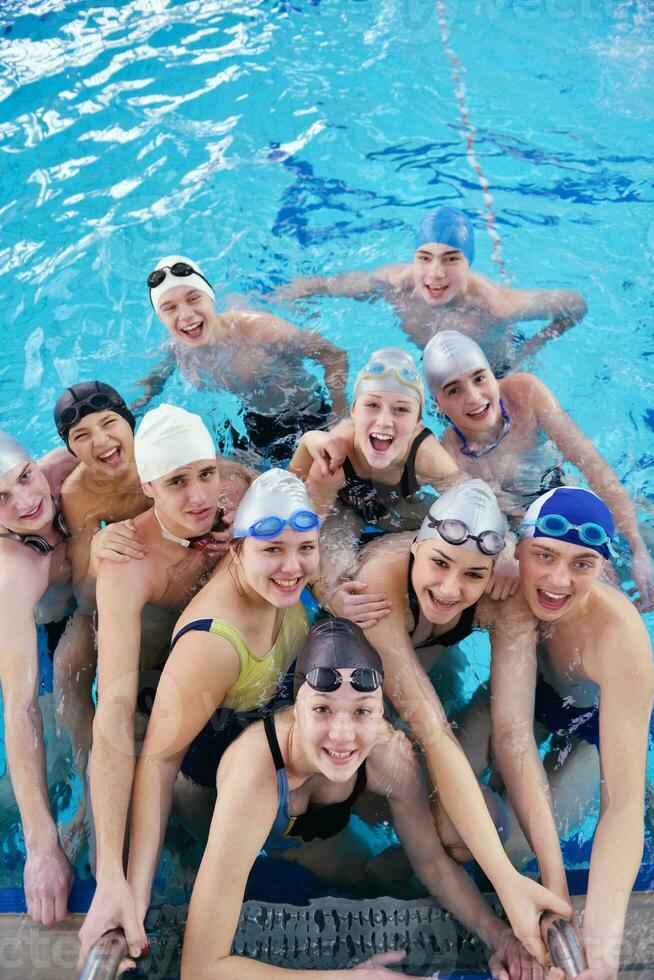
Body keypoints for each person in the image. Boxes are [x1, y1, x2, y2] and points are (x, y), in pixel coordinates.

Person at [180, 618, 569, 979]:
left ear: (382, 709)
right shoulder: (253, 775)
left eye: (362, 711)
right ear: (295, 707)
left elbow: (431, 861)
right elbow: (200, 968)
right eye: (322, 709)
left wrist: (498, 936)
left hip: (318, 820)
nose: (343, 735)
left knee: (374, 882)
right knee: (210, 866)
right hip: (215, 806)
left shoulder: (388, 754)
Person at [115, 469, 321, 964]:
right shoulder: (211, 642)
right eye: (272, 550)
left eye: (305, 548)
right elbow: (160, 763)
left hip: (274, 750)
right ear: (238, 551)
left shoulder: (289, 579)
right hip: (211, 789)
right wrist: (136, 889)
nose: (292, 566)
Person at [78, 404, 251, 962]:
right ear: (147, 485)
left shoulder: (236, 500)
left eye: (206, 473)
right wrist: (110, 873)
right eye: (178, 481)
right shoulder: (127, 560)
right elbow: (113, 709)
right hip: (157, 675)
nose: (201, 497)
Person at [489, 486, 654, 980]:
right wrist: (554, 886)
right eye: (545, 556)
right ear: (517, 549)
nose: (558, 580)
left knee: (517, 846)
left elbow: (619, 806)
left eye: (582, 564)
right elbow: (512, 734)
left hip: (593, 728)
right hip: (536, 700)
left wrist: (600, 956)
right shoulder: (508, 585)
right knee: (460, 834)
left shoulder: (619, 639)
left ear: (603, 568)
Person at [422, 330, 654, 611]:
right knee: (604, 602)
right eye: (454, 390)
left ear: (492, 375)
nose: (473, 397)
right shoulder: (446, 455)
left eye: (479, 378)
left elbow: (592, 466)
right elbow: (482, 520)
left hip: (578, 500)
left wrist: (638, 547)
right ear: (438, 404)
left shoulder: (525, 394)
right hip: (534, 538)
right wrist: (507, 551)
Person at [278, 206, 587, 373]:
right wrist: (291, 299)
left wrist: (532, 349)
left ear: (469, 263)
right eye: (424, 258)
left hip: (492, 375)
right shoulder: (395, 284)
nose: (435, 274)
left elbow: (576, 305)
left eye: (451, 259)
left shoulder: (496, 306)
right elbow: (326, 286)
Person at [135, 256, 349, 465]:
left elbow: (333, 355)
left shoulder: (258, 330)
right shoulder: (177, 349)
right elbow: (155, 381)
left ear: (211, 298)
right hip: (254, 422)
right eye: (170, 308)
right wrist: (141, 402)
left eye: (193, 299)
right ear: (161, 317)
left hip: (307, 412)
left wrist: (339, 409)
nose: (185, 315)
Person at [289, 348, 460, 590]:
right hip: (342, 510)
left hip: (400, 508)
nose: (384, 421)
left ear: (418, 421)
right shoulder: (336, 450)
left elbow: (474, 503)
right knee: (336, 579)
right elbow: (296, 522)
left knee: (452, 533)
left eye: (401, 409)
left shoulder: (426, 456)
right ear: (353, 411)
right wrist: (307, 443)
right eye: (372, 405)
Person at [0, 431, 78, 926]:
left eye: (24, 478)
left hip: (83, 610)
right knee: (62, 748)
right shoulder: (12, 575)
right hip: (38, 634)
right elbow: (20, 707)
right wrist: (43, 846)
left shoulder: (62, 468)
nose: (27, 500)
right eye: (0, 499)